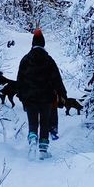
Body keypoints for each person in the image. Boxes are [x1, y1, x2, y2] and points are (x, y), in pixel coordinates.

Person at [16, 28, 66, 158]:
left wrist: (22, 96)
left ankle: (32, 139)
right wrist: (62, 95)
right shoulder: (49, 60)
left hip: (30, 98)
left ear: (32, 44)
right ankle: (43, 150)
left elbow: (20, 80)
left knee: (33, 122)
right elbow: (57, 79)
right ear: (43, 44)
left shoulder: (25, 60)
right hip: (47, 99)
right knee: (44, 123)